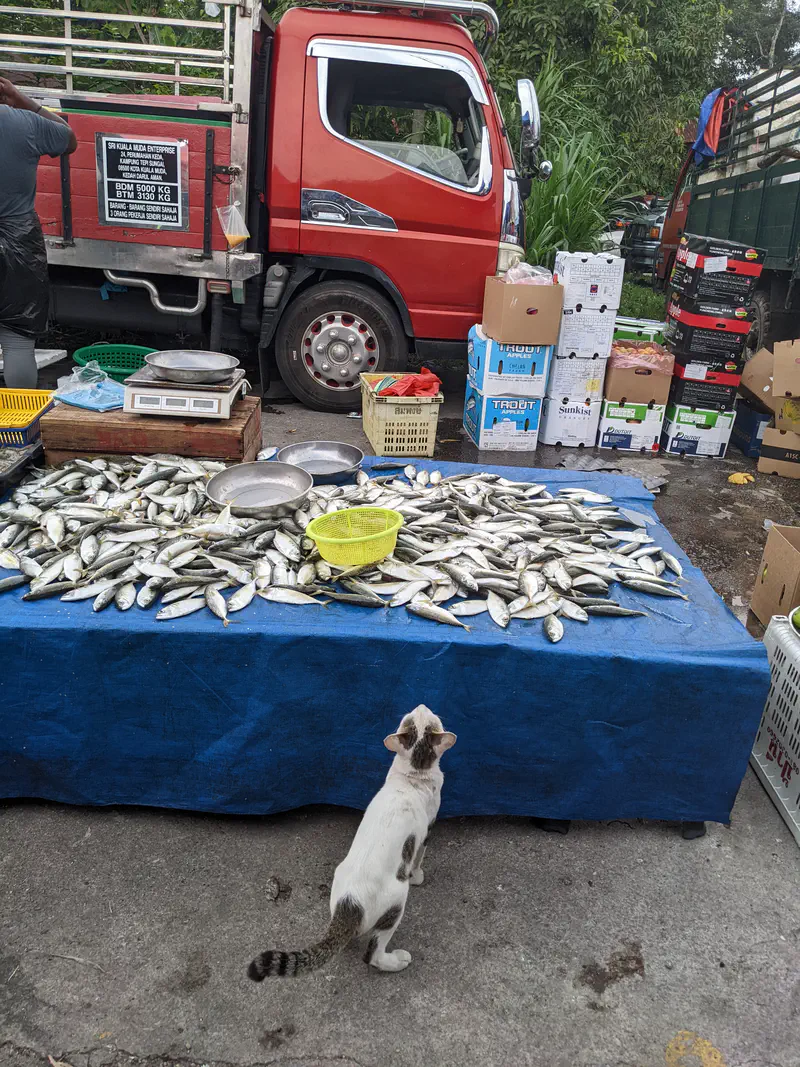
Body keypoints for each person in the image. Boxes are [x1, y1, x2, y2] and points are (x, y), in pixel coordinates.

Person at [0, 78, 77, 388]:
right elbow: (68, 139)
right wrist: (23, 100)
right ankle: (21, 432)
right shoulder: (24, 122)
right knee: (17, 343)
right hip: (20, 241)